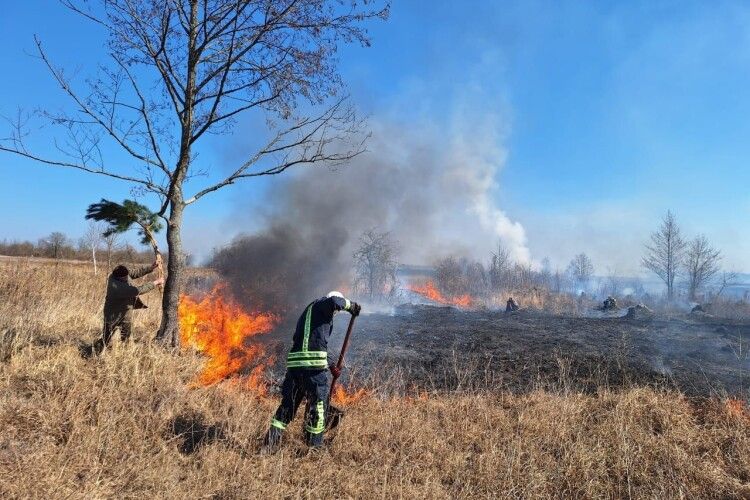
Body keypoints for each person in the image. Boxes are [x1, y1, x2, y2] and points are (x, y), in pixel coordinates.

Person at [263, 291, 361, 452]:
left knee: (287, 407)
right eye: (336, 312)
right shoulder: (324, 303)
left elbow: (312, 346)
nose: (334, 314)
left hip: (295, 367)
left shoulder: (309, 314)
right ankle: (314, 448)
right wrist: (351, 306)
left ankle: (268, 446)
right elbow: (335, 301)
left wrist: (331, 366)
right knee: (319, 406)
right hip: (312, 371)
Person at [91, 256, 164, 355]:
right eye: (124, 278)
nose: (127, 278)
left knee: (126, 337)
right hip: (112, 315)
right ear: (118, 278)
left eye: (127, 276)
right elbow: (138, 290)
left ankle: (125, 354)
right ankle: (95, 352)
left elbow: (134, 273)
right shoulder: (117, 287)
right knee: (106, 337)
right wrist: (156, 282)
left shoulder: (119, 274)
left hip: (126, 313)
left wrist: (151, 267)